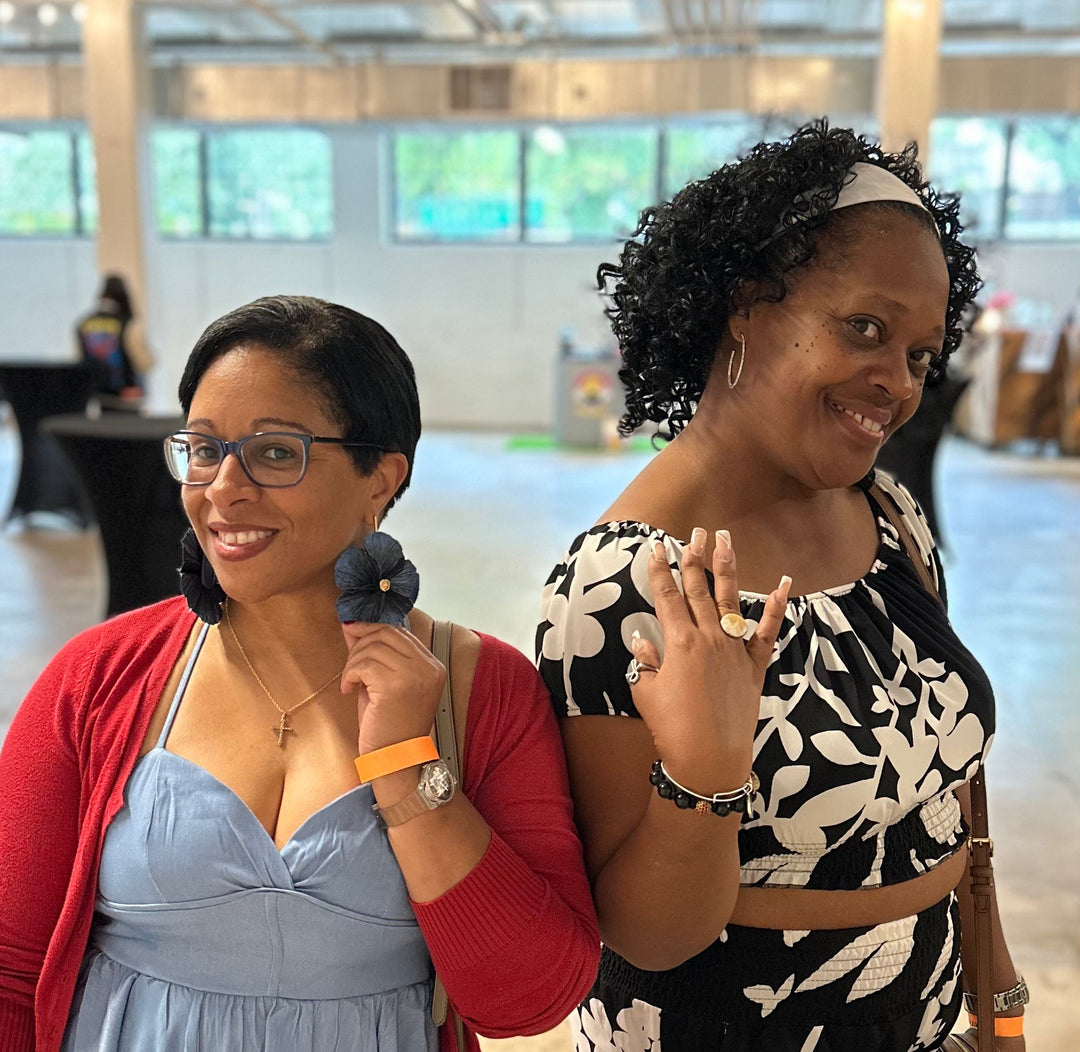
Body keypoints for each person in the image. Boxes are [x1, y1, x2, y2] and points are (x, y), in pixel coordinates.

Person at [536, 122, 1026, 1052]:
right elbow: (642, 934)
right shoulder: (624, 585)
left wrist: (998, 998)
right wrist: (704, 777)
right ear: (746, 304)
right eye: (865, 329)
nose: (897, 384)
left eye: (922, 354)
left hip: (924, 1018)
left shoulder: (889, 517)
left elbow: (953, 802)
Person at [0, 295, 599, 1052]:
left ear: (380, 478)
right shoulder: (100, 676)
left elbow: (529, 999)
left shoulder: (482, 688)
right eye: (206, 448)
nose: (222, 488)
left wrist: (408, 772)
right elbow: (11, 971)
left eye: (277, 452)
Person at [74, 274, 154, 401]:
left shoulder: (83, 324)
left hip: (97, 396)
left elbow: (79, 361)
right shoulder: (128, 324)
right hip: (128, 395)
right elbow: (144, 363)